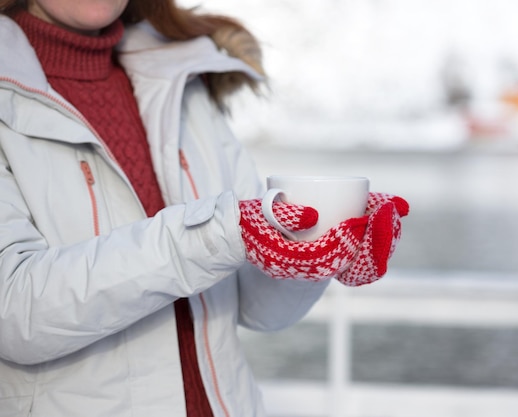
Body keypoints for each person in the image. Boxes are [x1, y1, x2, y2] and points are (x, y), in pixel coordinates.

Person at [0, 1, 409, 416]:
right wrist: (214, 236)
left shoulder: (181, 78)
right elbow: (13, 317)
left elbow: (257, 307)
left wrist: (320, 248)